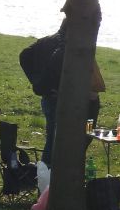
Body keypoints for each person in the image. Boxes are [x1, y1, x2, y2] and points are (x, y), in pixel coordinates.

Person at [18, 18, 104, 167]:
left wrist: (37, 81)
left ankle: (52, 170)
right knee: (56, 140)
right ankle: (48, 172)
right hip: (63, 101)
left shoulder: (47, 41)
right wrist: (40, 83)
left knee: (57, 138)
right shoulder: (67, 48)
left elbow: (24, 55)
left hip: (62, 100)